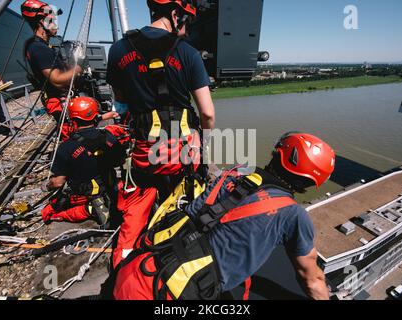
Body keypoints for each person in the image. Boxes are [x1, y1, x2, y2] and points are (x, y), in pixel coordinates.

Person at [112, 132, 336, 300]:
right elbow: (313, 280)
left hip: (136, 268)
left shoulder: (237, 172)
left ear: (278, 154)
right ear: (310, 181)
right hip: (168, 292)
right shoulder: (293, 215)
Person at [106, 0, 215, 267]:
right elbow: (208, 114)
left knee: (144, 190)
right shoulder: (187, 53)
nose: (186, 29)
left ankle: (130, 254)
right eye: (186, 22)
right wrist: (206, 147)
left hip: (145, 151)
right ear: (176, 14)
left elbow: (121, 102)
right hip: (182, 151)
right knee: (190, 194)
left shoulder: (120, 49)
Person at [41, 97, 128, 225]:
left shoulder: (66, 147)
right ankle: (102, 202)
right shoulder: (108, 137)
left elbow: (59, 182)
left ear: (72, 119)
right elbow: (119, 160)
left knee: (49, 211)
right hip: (109, 185)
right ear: (95, 115)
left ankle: (90, 209)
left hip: (83, 195)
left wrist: (47, 185)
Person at [20, 0, 82, 141]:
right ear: (42, 23)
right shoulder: (38, 48)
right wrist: (78, 68)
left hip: (61, 99)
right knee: (73, 139)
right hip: (58, 101)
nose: (56, 26)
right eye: (52, 21)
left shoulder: (42, 46)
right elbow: (56, 80)